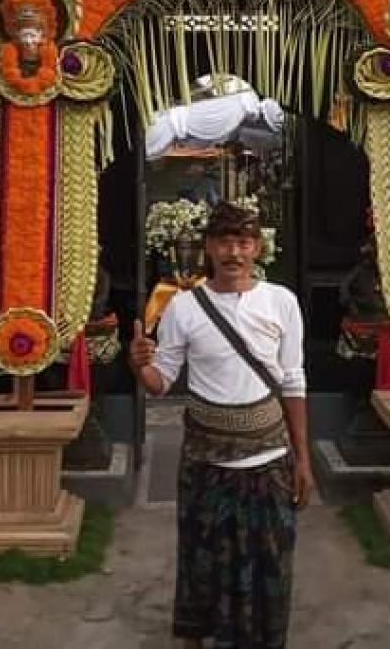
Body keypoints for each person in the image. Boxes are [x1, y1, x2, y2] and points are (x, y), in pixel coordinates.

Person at [129, 201, 312, 649]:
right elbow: (160, 382)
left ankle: (262, 639)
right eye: (225, 242)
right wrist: (139, 365)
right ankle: (197, 638)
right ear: (209, 247)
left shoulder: (281, 302)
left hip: (270, 460)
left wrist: (303, 460)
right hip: (205, 463)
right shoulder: (183, 308)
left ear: (258, 248)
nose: (234, 253)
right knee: (201, 559)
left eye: (244, 242)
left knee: (269, 559)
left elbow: (293, 381)